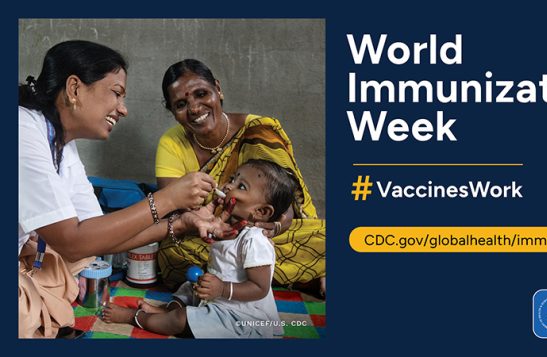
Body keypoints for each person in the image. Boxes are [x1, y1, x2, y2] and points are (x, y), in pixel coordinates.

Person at [18, 40, 234, 338]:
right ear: (74, 89)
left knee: (62, 271)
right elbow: (73, 241)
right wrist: (168, 199)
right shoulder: (21, 129)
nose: (123, 110)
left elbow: (99, 235)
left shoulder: (62, 143)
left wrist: (181, 222)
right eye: (117, 94)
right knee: (56, 271)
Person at [155, 59, 326, 296]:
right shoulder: (171, 143)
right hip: (210, 235)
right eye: (181, 104)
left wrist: (275, 225)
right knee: (170, 250)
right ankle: (298, 277)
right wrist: (211, 225)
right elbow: (172, 212)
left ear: (218, 89)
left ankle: (242, 276)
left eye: (201, 94)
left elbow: (285, 200)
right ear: (173, 112)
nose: (194, 108)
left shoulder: (259, 130)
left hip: (268, 231)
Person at [103, 159, 296, 338]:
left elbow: (259, 288)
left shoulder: (255, 241)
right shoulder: (227, 227)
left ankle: (135, 317)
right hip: (218, 298)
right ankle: (167, 312)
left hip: (242, 317)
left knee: (182, 320)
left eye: (241, 186)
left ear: (261, 212)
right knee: (188, 289)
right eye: (232, 179)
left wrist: (221, 289)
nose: (228, 186)